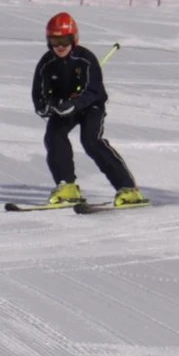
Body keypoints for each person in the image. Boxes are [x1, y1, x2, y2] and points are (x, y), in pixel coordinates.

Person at [32, 12, 145, 209]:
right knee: (54, 135)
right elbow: (39, 96)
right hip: (63, 108)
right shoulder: (46, 64)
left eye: (65, 41)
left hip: (91, 106)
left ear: (74, 39)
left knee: (91, 141)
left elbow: (94, 90)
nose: (59, 47)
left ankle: (127, 188)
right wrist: (49, 107)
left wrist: (75, 104)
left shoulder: (85, 59)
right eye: (54, 41)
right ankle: (67, 187)